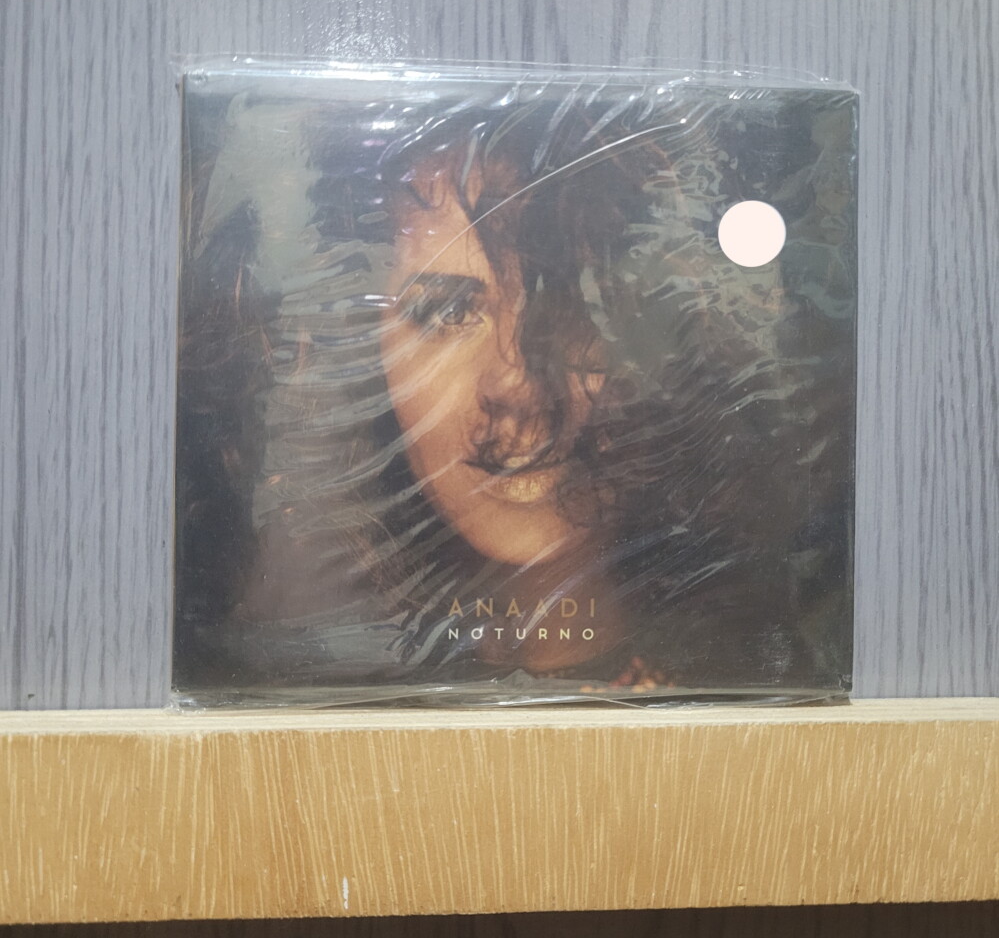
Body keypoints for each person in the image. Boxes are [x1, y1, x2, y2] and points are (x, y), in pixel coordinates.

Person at [175, 85, 852, 698]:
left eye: (573, 307)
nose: (517, 384)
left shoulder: (762, 687)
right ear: (359, 345)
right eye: (447, 310)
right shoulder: (292, 681)